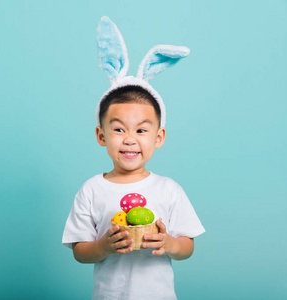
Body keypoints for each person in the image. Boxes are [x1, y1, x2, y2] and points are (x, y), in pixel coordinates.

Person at [62, 17, 205, 300]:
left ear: (158, 138)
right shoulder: (91, 190)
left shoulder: (169, 189)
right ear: (101, 136)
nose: (129, 139)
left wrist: (170, 243)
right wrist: (103, 247)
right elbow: (80, 251)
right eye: (118, 129)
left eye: (141, 130)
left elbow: (188, 246)